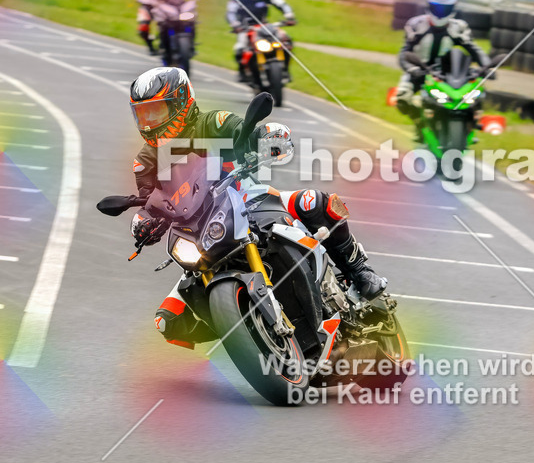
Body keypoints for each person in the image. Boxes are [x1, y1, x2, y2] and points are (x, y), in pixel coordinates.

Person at [126, 66, 387, 349]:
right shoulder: (146, 161)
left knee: (314, 202)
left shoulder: (213, 123)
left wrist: (262, 138)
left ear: (181, 101)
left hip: (249, 199)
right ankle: (244, 332)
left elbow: (244, 132)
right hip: (199, 232)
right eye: (143, 114)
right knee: (168, 321)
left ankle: (359, 271)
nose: (150, 122)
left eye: (156, 111)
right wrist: (144, 222)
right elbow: (149, 199)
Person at [395, 0, 488, 121]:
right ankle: (419, 123)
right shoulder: (416, 25)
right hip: (419, 70)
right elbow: (404, 53)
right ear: (429, 7)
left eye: (445, 9)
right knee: (402, 98)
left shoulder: (459, 28)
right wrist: (412, 69)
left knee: (475, 93)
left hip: (446, 73)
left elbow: (474, 50)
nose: (440, 13)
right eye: (436, 8)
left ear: (453, 9)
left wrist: (486, 66)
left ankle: (471, 123)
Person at [227, 0, 296, 82]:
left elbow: (282, 4)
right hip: (245, 27)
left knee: (286, 41)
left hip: (264, 25)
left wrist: (289, 15)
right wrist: (235, 24)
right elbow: (231, 11)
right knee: (240, 47)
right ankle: (242, 72)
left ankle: (285, 71)